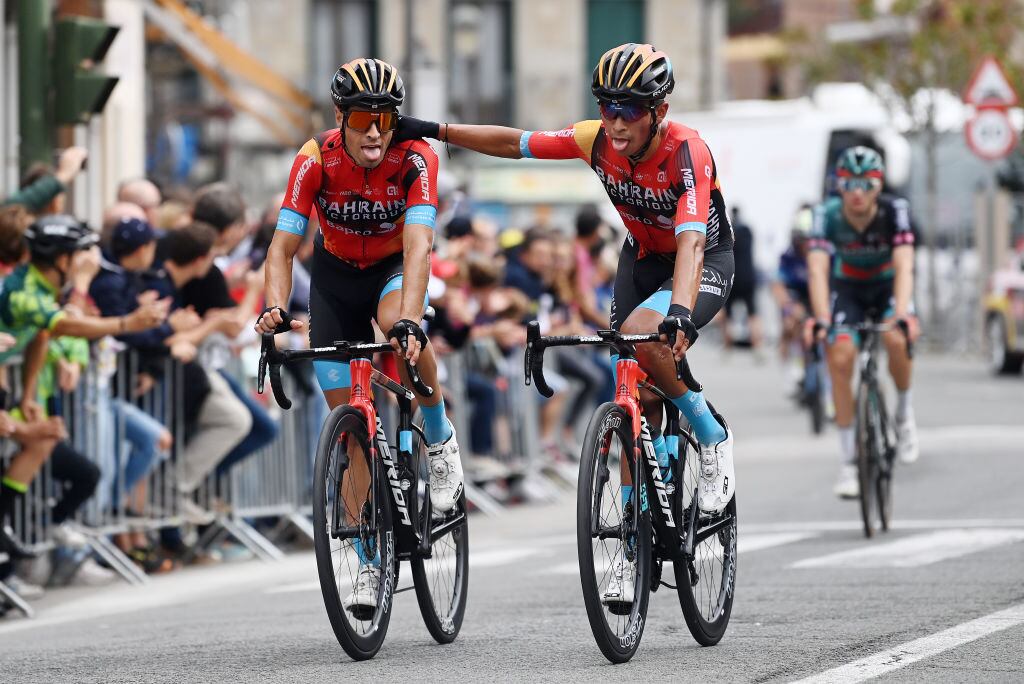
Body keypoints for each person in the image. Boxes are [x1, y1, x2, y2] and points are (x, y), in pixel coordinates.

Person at [397, 43, 735, 609]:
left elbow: (692, 239)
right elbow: (515, 143)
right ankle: (630, 540)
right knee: (630, 388)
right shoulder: (593, 139)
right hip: (641, 258)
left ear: (661, 109)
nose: (617, 121)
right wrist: (437, 130)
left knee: (649, 338)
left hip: (701, 257)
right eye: (608, 106)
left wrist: (679, 312)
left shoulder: (686, 151)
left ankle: (709, 433)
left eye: (631, 108)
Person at [255, 58, 465, 614]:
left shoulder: (416, 157)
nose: (375, 128)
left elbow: (419, 245)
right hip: (334, 278)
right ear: (340, 116)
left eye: (386, 116)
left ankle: (439, 437)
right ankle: (370, 562)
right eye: (362, 116)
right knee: (349, 434)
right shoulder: (314, 158)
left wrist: (412, 320)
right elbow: (281, 248)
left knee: (401, 328)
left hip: (394, 270)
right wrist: (275, 308)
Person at [804, 147, 920, 499]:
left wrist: (901, 313)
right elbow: (818, 269)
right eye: (848, 183)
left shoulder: (894, 210)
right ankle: (849, 462)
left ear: (879, 184)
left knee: (897, 340)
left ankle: (903, 412)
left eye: (866, 184)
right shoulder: (826, 213)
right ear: (838, 184)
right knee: (839, 357)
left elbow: (904, 265)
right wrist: (822, 318)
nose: (857, 192)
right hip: (848, 289)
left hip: (887, 288)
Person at [772, 205, 812, 393]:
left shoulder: (827, 253)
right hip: (796, 295)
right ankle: (792, 369)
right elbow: (777, 284)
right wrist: (788, 307)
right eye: (803, 239)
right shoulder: (789, 255)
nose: (807, 245)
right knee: (790, 324)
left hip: (815, 296)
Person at [721, 206, 763, 353]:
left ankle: (727, 346)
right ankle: (757, 346)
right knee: (753, 313)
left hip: (732, 276)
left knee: (728, 314)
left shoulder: (727, 230)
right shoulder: (747, 230)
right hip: (748, 276)